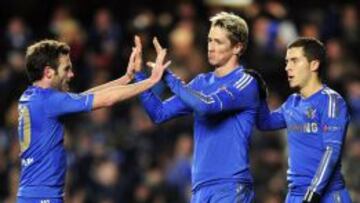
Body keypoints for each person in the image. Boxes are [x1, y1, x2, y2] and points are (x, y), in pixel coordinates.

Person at [16, 39, 170, 203]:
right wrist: (151, 81)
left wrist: (125, 78)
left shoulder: (33, 97)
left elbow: (83, 97)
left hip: (33, 195)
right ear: (48, 72)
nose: (71, 74)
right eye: (66, 69)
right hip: (42, 197)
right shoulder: (49, 101)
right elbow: (107, 100)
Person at [132, 12, 260, 203]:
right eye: (209, 40)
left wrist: (168, 77)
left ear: (238, 47)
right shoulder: (202, 82)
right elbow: (159, 113)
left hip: (230, 186)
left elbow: (207, 106)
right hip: (200, 187)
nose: (211, 47)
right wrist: (140, 77)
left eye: (218, 42)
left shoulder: (246, 82)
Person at [256, 37, 352, 203]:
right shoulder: (292, 103)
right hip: (294, 195)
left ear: (314, 65)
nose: (287, 67)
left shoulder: (331, 101)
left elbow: (331, 151)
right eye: (286, 62)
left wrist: (314, 192)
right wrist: (259, 93)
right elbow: (264, 123)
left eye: (294, 61)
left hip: (326, 195)